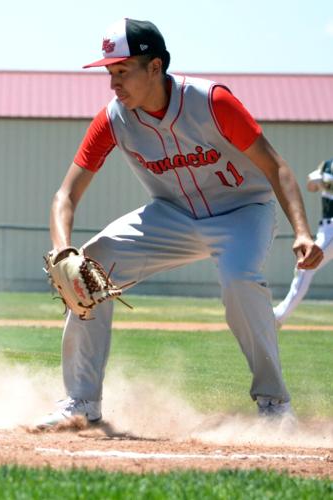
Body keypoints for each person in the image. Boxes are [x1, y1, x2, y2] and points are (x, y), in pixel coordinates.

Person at [38, 18, 323, 428]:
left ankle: (275, 405)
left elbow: (275, 166)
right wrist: (63, 248)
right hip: (172, 216)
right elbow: (65, 194)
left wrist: (301, 231)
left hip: (243, 211)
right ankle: (82, 401)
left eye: (122, 71)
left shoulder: (211, 102)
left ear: (155, 67)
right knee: (90, 263)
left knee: (239, 278)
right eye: (109, 73)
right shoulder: (113, 119)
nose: (113, 83)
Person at [274, 157, 333, 326]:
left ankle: (279, 316)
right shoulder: (328, 165)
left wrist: (327, 182)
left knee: (306, 266)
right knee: (306, 267)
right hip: (326, 228)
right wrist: (321, 181)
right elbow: (310, 185)